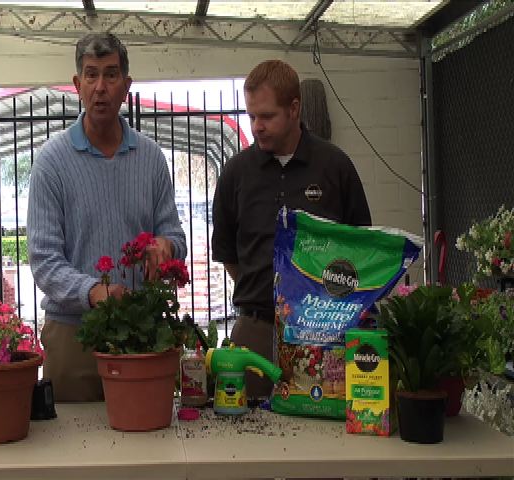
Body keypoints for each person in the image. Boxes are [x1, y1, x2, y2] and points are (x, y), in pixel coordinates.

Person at [27, 33, 187, 402]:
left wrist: (166, 246)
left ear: (126, 86)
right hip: (74, 336)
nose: (101, 87)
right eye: (91, 75)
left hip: (141, 334)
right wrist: (96, 293)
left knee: (143, 445)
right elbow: (44, 261)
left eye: (111, 75)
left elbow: (175, 235)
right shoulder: (52, 162)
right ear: (76, 84)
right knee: (74, 450)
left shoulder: (150, 159)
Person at [211, 60, 371, 399]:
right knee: (247, 439)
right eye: (251, 116)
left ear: (294, 108)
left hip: (324, 338)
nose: (257, 127)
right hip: (255, 332)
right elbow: (227, 254)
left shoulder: (335, 167)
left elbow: (361, 248)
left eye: (267, 117)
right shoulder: (236, 174)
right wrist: (265, 296)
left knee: (321, 440)